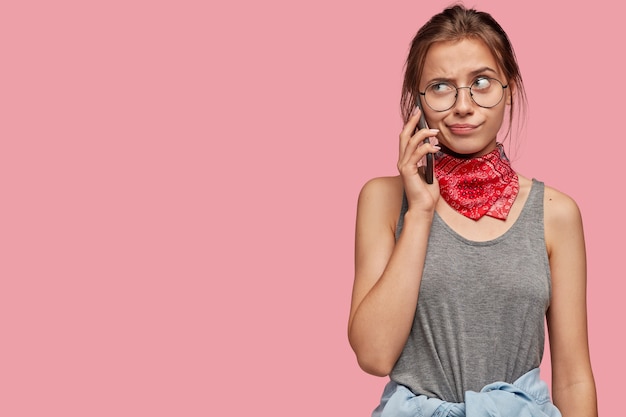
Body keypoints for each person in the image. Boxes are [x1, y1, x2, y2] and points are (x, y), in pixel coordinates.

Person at [348, 4, 597, 417]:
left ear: (510, 88)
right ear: (418, 101)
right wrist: (422, 213)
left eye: (481, 82)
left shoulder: (555, 213)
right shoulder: (384, 200)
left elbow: (573, 376)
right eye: (442, 87)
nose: (463, 105)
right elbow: (373, 355)